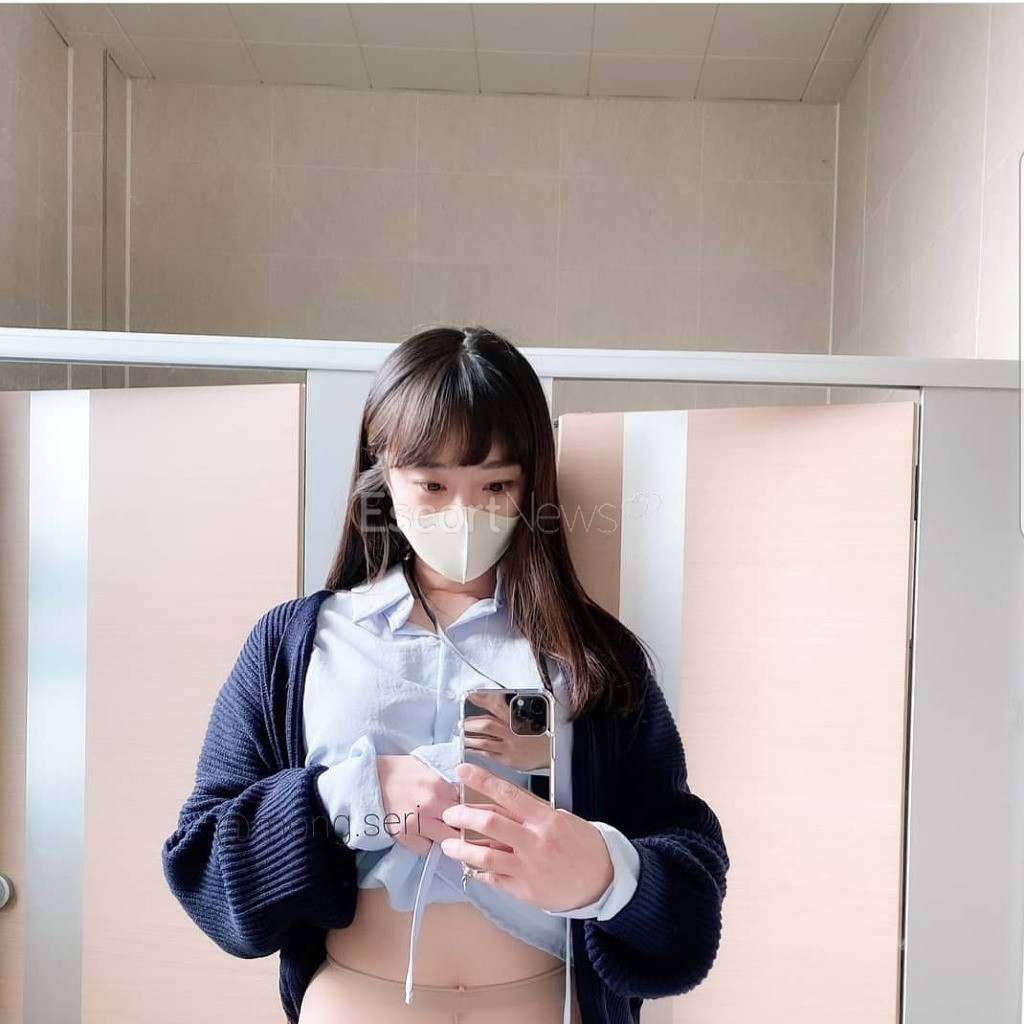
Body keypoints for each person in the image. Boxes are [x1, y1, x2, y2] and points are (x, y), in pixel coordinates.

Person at [161, 325, 729, 1024]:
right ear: (381, 472)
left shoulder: (596, 658)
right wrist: (349, 797)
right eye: (432, 484)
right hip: (356, 1004)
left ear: (532, 484)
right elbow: (202, 870)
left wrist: (608, 876)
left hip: (548, 1006)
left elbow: (694, 896)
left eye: (496, 485)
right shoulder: (293, 647)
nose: (464, 513)